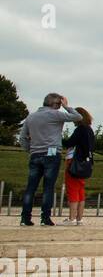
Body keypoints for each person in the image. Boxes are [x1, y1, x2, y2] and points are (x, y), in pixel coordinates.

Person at [17, 93, 84, 226]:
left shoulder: (31, 117)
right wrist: (67, 107)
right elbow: (78, 116)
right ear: (55, 104)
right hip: (52, 154)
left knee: (31, 188)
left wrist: (30, 150)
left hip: (35, 154)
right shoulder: (55, 114)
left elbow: (22, 137)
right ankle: (45, 218)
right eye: (59, 105)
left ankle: (25, 218)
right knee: (48, 188)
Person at [61, 107, 95, 225]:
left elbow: (69, 143)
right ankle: (79, 218)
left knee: (72, 189)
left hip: (75, 162)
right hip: (85, 164)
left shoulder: (80, 129)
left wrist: (58, 139)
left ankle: (71, 218)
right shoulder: (89, 130)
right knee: (80, 190)